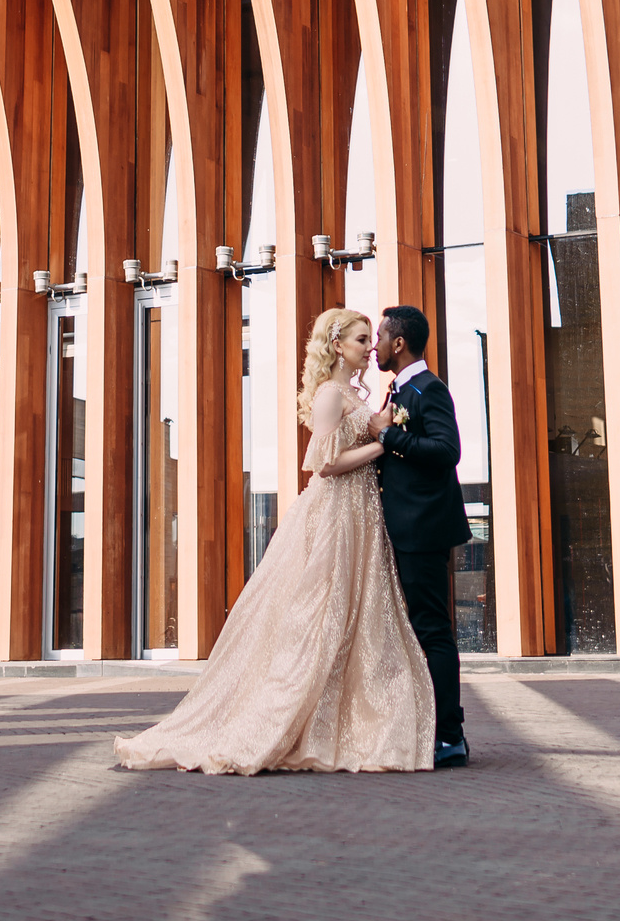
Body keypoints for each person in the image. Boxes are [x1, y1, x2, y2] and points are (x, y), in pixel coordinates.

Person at [113, 307, 434, 773]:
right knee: (322, 612)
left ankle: (357, 721)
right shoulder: (329, 394)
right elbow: (325, 465)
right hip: (337, 511)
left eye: (371, 339)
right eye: (362, 340)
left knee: (359, 614)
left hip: (362, 512)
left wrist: (384, 426)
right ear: (337, 345)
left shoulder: (353, 392)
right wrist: (384, 443)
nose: (370, 348)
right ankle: (276, 721)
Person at [370, 304, 473, 768]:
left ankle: (450, 736)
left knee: (433, 630)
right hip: (403, 529)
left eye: (379, 336)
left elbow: (447, 450)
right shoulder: (398, 389)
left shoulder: (428, 388)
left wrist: (389, 437)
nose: (374, 345)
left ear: (398, 343)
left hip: (423, 530)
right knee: (417, 630)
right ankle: (426, 728)